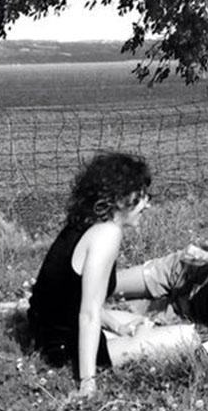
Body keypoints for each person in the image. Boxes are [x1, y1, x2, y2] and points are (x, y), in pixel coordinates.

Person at [28, 152, 199, 398]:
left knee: (139, 322)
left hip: (47, 331)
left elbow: (71, 296)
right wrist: (87, 383)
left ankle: (123, 334)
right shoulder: (107, 234)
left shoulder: (83, 224)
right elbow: (88, 312)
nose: (147, 204)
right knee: (187, 338)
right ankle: (95, 362)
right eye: (141, 196)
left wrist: (117, 325)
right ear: (119, 198)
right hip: (65, 345)